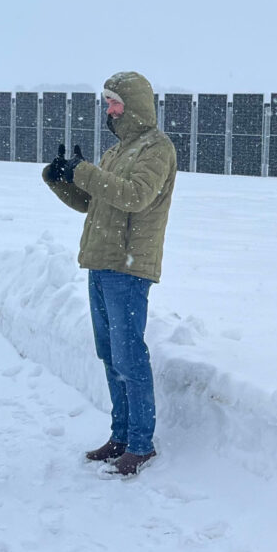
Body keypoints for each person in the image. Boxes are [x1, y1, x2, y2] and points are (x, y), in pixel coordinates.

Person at [42, 71, 176, 478]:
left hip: (129, 268)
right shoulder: (119, 150)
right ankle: (119, 435)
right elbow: (94, 203)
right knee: (110, 355)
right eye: (107, 102)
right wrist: (61, 178)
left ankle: (140, 443)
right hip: (101, 263)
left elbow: (134, 196)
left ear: (133, 105)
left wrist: (85, 172)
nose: (109, 110)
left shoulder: (157, 148)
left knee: (130, 355)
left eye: (114, 102)